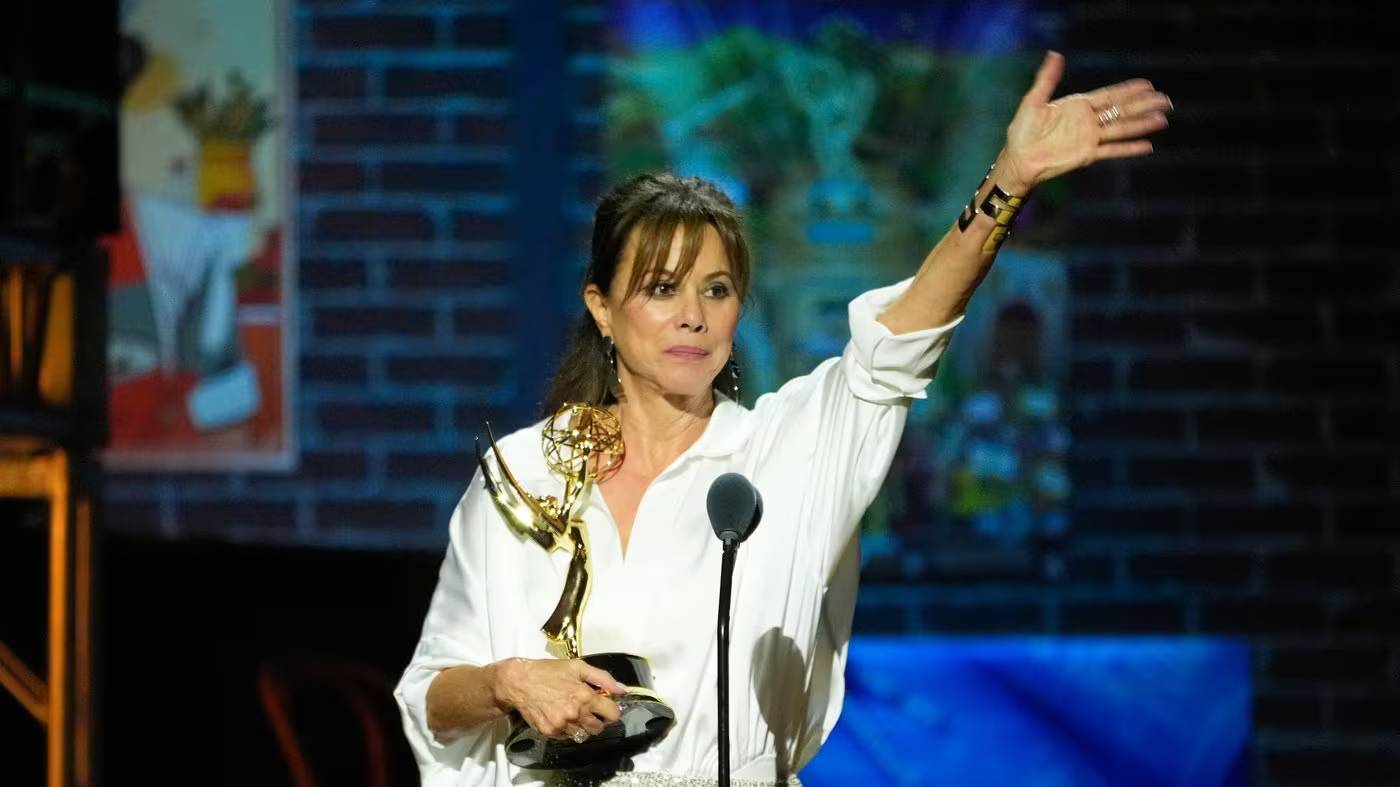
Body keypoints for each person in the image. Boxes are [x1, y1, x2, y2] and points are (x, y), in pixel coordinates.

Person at [395, 51, 1172, 786]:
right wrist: (509, 680)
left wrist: (1009, 180)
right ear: (602, 306)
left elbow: (895, 347)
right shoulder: (523, 474)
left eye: (718, 289)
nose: (693, 316)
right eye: (662, 288)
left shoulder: (783, 452)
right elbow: (432, 695)